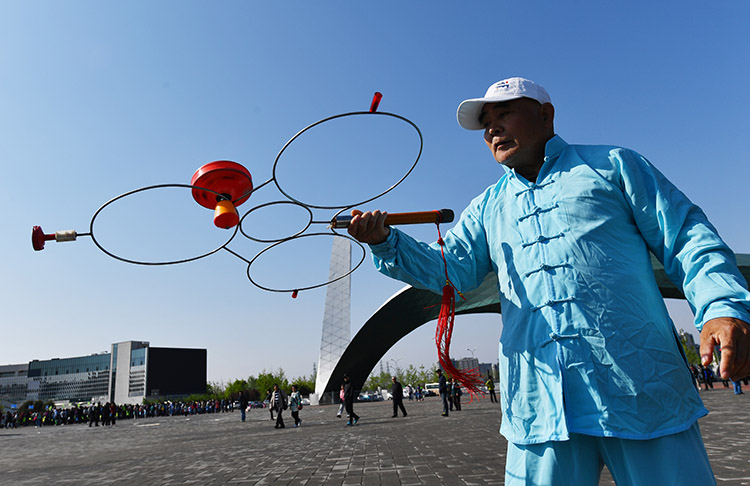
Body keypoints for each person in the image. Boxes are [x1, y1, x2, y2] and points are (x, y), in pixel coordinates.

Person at [346, 77, 750, 485]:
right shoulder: (488, 206)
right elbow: (452, 270)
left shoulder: (613, 165)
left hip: (639, 388)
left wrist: (722, 307)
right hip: (539, 405)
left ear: (545, 114)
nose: (491, 129)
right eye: (485, 123)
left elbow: (685, 236)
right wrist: (385, 241)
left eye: (503, 113)